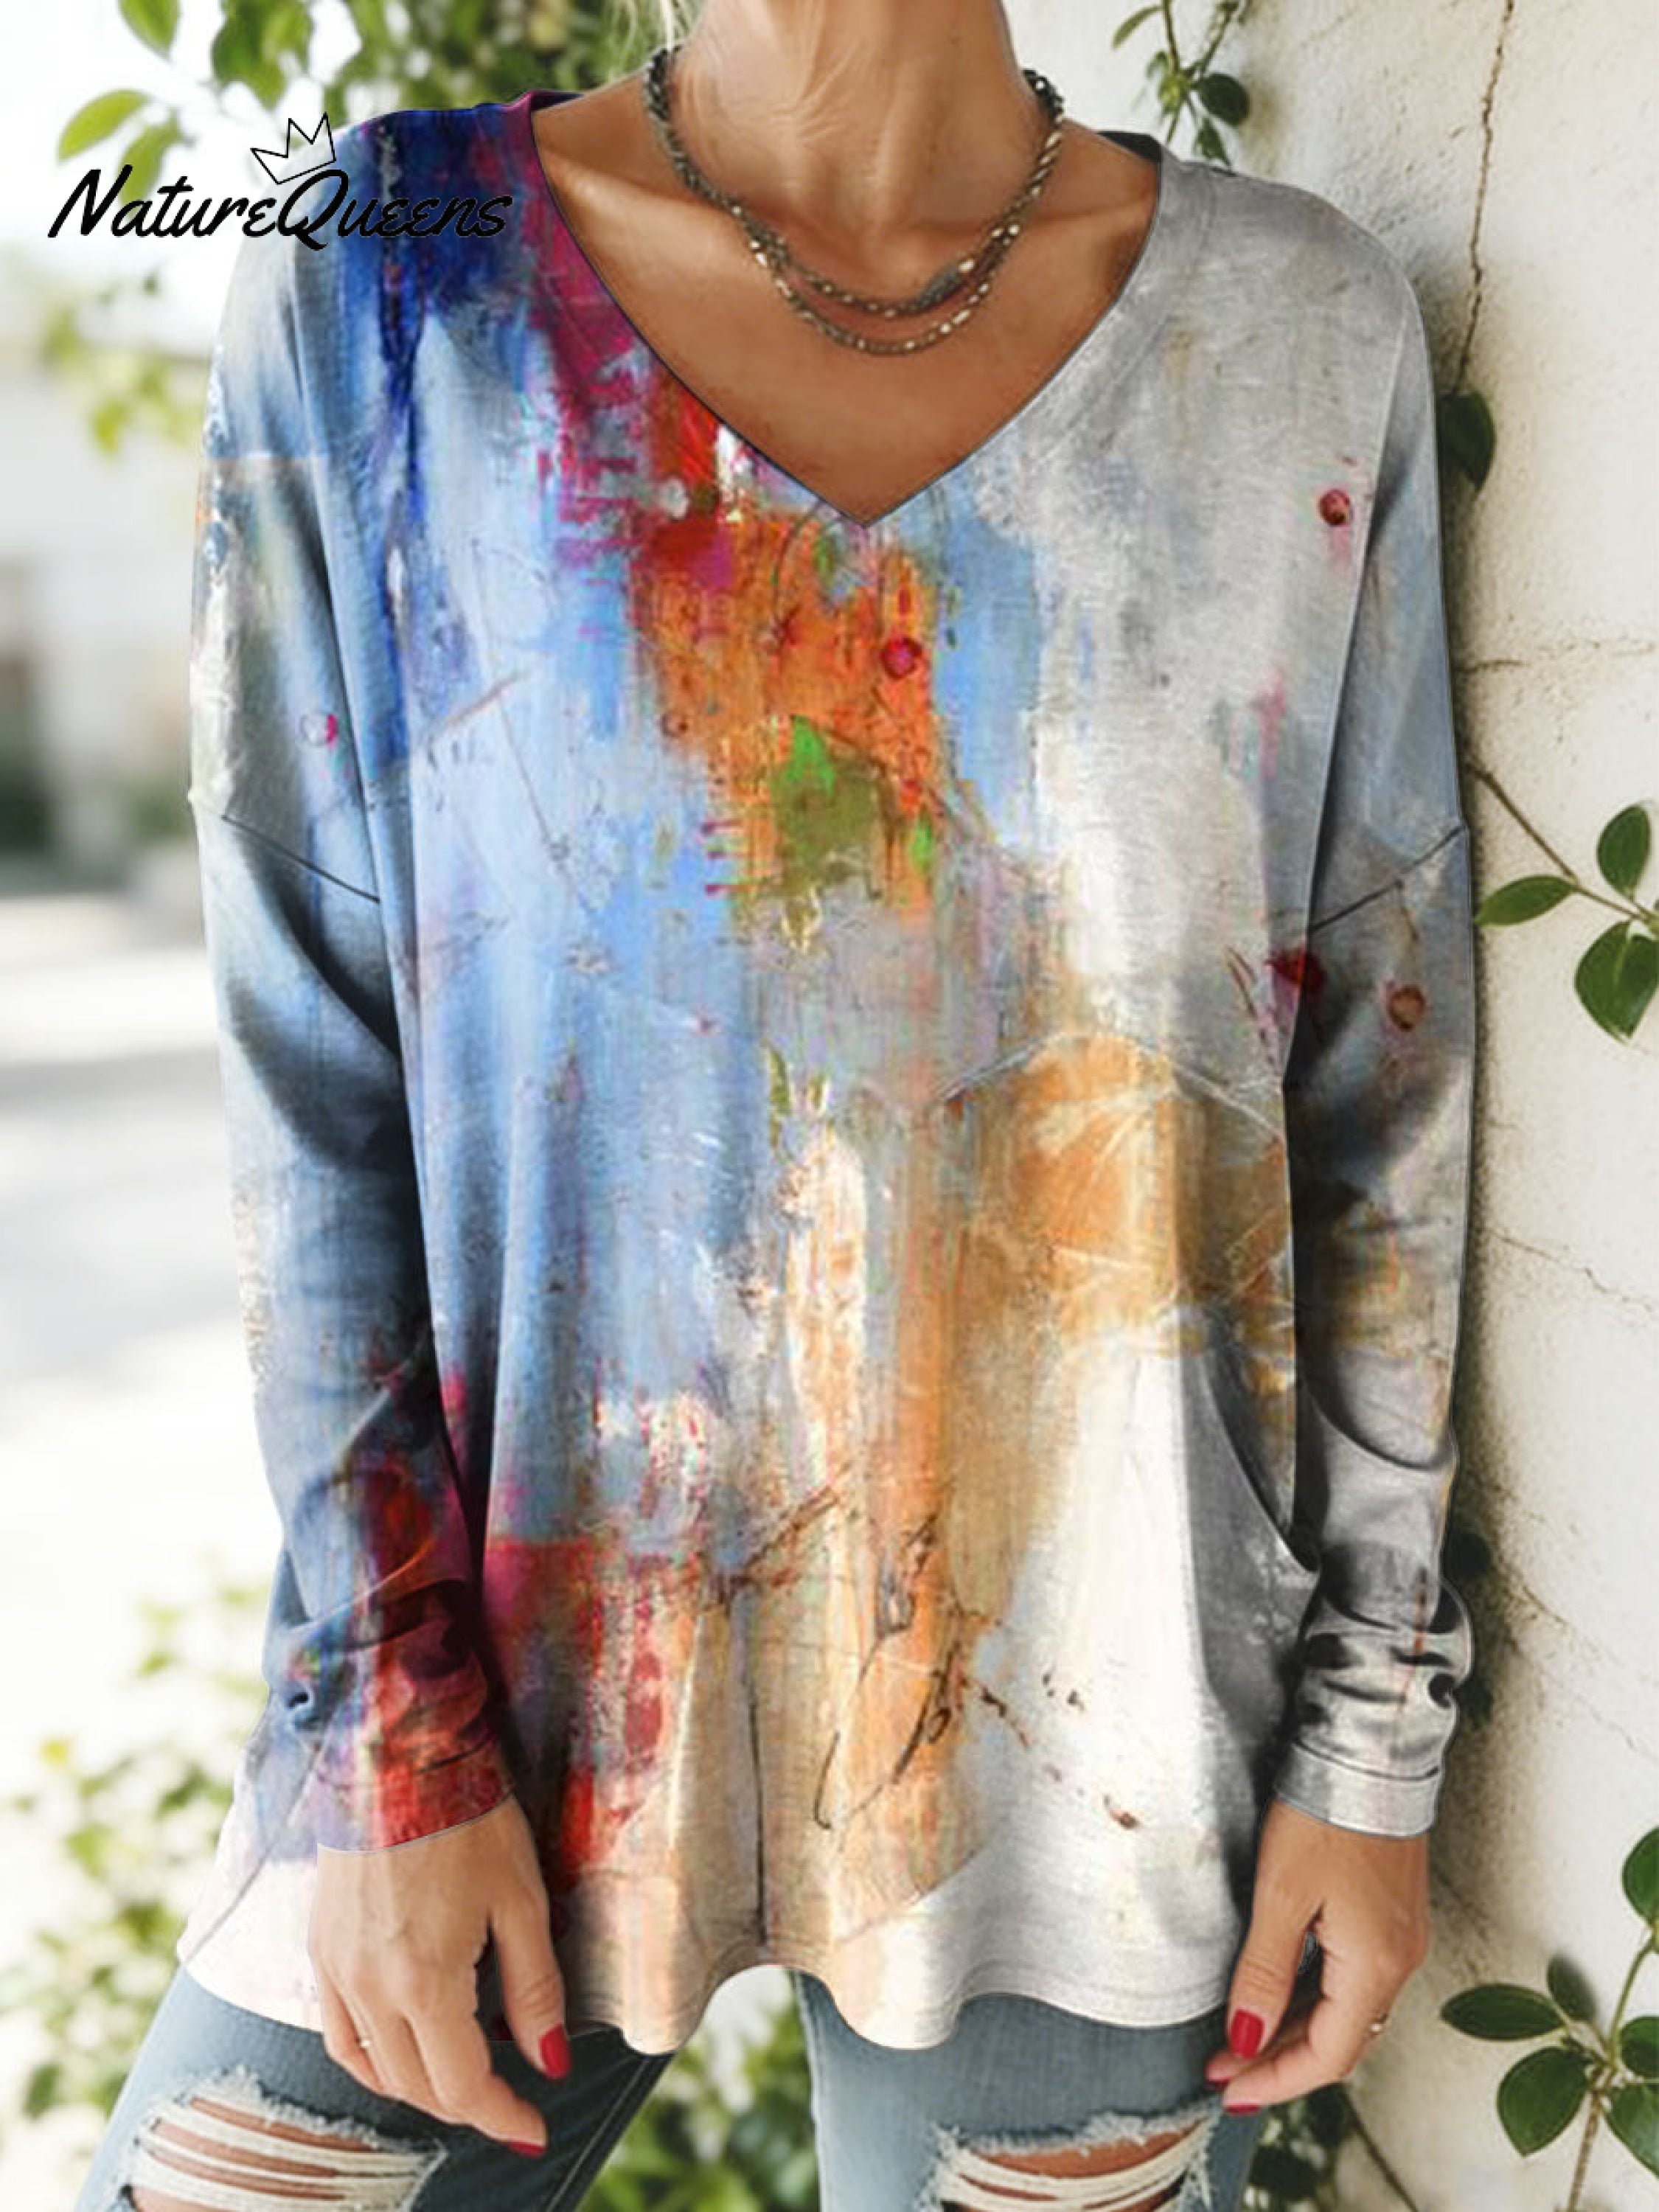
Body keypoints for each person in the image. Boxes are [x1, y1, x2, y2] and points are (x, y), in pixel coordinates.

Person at [72, 0, 1479, 2204]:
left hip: (1088, 1746)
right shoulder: (392, 279)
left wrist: (1369, 1741)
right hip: (489, 1694)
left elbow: (1377, 1102)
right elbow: (313, 1074)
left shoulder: (1297, 328)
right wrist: (384, 1727)